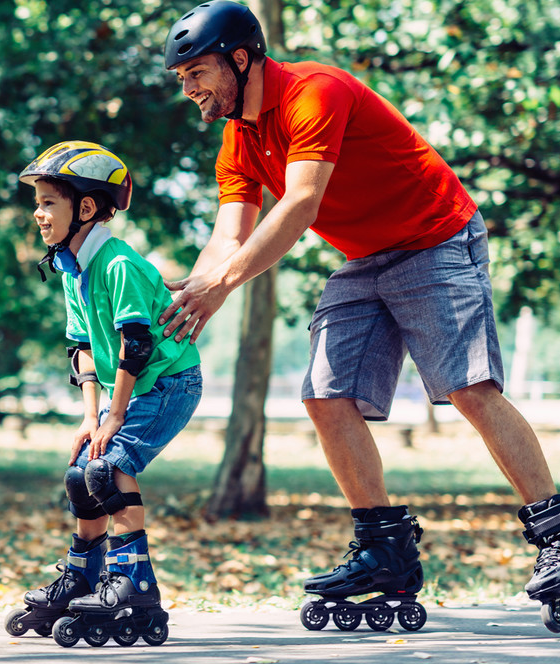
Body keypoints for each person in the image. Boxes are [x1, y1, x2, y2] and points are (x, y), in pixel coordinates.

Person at [161, 0, 560, 632]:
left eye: (196, 73)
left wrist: (223, 285)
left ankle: (556, 534)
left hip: (435, 236)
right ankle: (384, 551)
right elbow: (227, 238)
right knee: (326, 395)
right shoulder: (238, 140)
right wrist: (194, 291)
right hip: (368, 258)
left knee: (468, 388)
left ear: (239, 58)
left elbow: (300, 203)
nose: (188, 89)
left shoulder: (314, 92)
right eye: (182, 78)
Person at [2, 141, 202, 647]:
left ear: (86, 207)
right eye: (37, 203)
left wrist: (114, 415)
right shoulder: (71, 266)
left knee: (107, 471)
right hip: (131, 389)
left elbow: (137, 344)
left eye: (49, 202)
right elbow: (84, 347)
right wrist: (91, 418)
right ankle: (83, 578)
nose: (38, 213)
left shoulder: (117, 264)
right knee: (80, 475)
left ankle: (135, 584)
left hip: (169, 382)